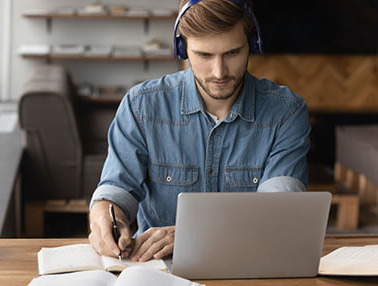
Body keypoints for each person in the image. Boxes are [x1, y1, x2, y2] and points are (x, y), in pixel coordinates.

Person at [88, 0, 311, 263]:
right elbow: (116, 190)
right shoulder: (141, 106)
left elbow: (279, 213)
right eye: (204, 55)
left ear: (252, 44)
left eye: (233, 53)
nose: (219, 72)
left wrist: (194, 236)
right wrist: (105, 216)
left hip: (249, 266)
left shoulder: (287, 112)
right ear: (182, 47)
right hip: (158, 273)